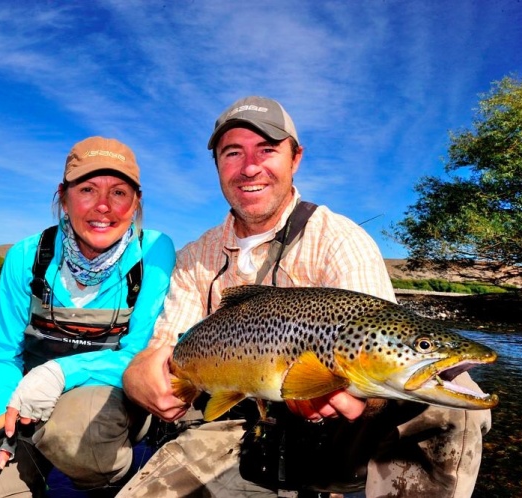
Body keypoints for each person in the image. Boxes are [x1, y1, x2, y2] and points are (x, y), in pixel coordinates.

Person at [117, 96, 492, 497]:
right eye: (232, 153)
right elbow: (165, 350)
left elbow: (371, 344)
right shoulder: (195, 257)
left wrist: (348, 396)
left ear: (295, 158)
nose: (250, 167)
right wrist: (137, 375)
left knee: (447, 402)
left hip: (336, 441)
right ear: (218, 166)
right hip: (230, 427)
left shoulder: (340, 240)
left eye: (267, 150)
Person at [0, 136, 176, 497]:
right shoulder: (25, 256)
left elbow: (142, 352)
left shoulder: (155, 252)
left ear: (136, 201)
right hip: (26, 405)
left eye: (119, 192)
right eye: (88, 190)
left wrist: (59, 372)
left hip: (109, 401)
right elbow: (1, 353)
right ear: (63, 196)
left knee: (76, 434)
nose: (104, 207)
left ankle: (107, 482)